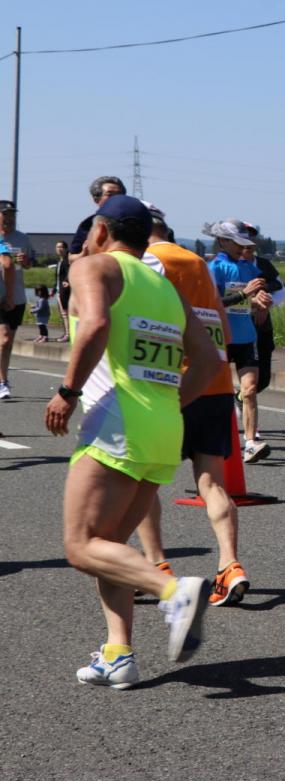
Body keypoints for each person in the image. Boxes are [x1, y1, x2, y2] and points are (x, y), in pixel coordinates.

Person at [44, 195, 221, 689]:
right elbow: (209, 361)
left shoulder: (94, 267)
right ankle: (118, 653)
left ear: (100, 231)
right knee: (111, 546)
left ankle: (174, 591)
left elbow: (96, 324)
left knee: (81, 546)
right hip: (164, 426)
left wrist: (66, 392)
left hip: (115, 422)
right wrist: (166, 404)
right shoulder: (164, 287)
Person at [131, 202, 251, 608]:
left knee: (144, 479)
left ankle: (157, 565)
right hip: (215, 381)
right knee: (212, 482)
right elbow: (219, 319)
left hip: (170, 381)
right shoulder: (199, 263)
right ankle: (230, 564)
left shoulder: (148, 261)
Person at [203, 219, 272, 463]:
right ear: (222, 242)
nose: (242, 248)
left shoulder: (250, 268)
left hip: (246, 337)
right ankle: (213, 441)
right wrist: (244, 295)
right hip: (221, 337)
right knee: (217, 393)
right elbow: (213, 303)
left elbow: (257, 309)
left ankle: (251, 443)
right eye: (236, 242)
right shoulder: (215, 268)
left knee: (250, 390)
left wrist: (262, 305)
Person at [241, 222, 285, 396]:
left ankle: (240, 398)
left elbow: (281, 289)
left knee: (264, 378)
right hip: (237, 328)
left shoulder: (263, 264)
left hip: (262, 325)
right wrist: (253, 303)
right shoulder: (225, 266)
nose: (248, 243)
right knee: (248, 380)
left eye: (252, 238)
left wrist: (266, 304)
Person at [0, 199, 35, 400]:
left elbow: (29, 265)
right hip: (1, 295)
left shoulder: (22, 239)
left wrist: (26, 262)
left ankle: (3, 377)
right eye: (5, 214)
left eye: (12, 215)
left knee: (8, 340)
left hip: (18, 296)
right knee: (4, 339)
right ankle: (3, 382)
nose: (9, 219)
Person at [68, 176, 126, 264]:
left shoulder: (135, 221)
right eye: (109, 194)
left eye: (119, 194)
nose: (116, 198)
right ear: (96, 199)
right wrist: (83, 254)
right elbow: (71, 258)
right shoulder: (88, 225)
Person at [53, 240, 72, 340]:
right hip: (58, 290)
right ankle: (66, 333)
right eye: (57, 247)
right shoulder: (59, 262)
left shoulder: (68, 261)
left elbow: (71, 271)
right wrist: (53, 290)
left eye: (61, 247)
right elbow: (57, 278)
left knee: (66, 313)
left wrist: (67, 280)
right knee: (62, 314)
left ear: (66, 249)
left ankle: (68, 335)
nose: (59, 249)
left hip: (65, 291)